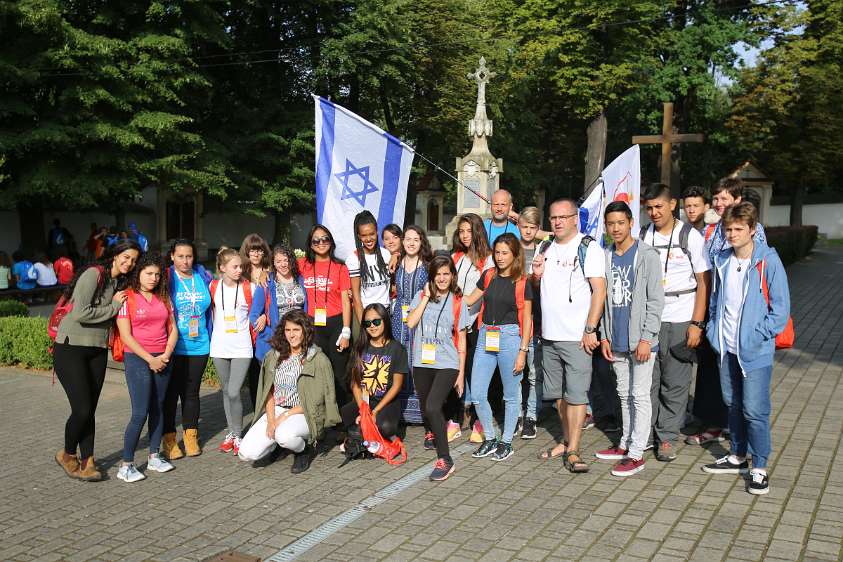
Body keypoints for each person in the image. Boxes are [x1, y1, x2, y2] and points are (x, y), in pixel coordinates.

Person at [702, 202, 790, 495]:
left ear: (753, 230)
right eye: (728, 229)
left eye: (739, 229)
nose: (732, 234)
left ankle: (760, 466)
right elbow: (715, 303)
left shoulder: (768, 261)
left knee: (755, 410)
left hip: (754, 352)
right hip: (726, 349)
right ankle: (738, 455)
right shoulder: (723, 260)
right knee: (733, 403)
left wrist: (757, 336)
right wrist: (714, 334)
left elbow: (780, 310)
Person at [53, 239, 141, 481]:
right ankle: (67, 453)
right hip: (71, 347)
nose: (129, 263)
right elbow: (81, 312)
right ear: (115, 255)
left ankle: (88, 460)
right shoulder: (94, 274)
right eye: (126, 257)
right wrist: (113, 307)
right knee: (81, 409)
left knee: (90, 409)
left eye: (133, 260)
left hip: (97, 349)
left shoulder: (118, 282)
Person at [531, 198, 606, 473]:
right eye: (553, 218)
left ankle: (574, 450)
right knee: (558, 396)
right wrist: (536, 276)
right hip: (549, 335)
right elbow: (538, 286)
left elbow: (599, 290)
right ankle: (566, 440)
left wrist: (590, 328)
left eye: (564, 217)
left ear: (576, 218)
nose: (558, 221)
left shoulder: (589, 247)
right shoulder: (545, 246)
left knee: (576, 396)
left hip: (577, 336)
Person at [641, 183, 711, 462]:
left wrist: (697, 322)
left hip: (682, 316)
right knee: (649, 380)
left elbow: (704, 282)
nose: (654, 212)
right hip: (651, 317)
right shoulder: (644, 234)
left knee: (676, 380)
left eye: (659, 206)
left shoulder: (690, 236)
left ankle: (667, 437)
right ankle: (647, 433)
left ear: (672, 205)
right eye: (649, 208)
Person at [594, 202, 664, 477]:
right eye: (610, 224)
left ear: (631, 222)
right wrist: (604, 336)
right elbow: (602, 300)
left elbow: (656, 301)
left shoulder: (647, 255)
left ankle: (637, 453)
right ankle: (625, 442)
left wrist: (648, 337)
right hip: (616, 337)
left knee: (639, 395)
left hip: (641, 340)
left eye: (620, 223)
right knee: (623, 393)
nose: (615, 228)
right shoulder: (606, 255)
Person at [239, 310, 341, 473]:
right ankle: (279, 445)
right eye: (288, 330)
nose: (291, 335)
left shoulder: (318, 360)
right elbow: (269, 392)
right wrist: (272, 419)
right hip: (278, 408)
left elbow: (317, 401)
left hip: (304, 412)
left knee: (284, 436)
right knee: (246, 453)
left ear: (305, 331)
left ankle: (303, 450)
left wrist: (283, 417)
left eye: (296, 330)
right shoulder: (274, 356)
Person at [464, 233, 533, 462]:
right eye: (498, 252)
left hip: (510, 337)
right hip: (486, 335)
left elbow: (527, 318)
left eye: (505, 253)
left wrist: (523, 351)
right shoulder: (489, 275)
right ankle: (491, 438)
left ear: (515, 255)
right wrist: (439, 292)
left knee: (511, 396)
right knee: (477, 393)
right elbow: (468, 300)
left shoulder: (522, 281)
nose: (500, 257)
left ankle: (506, 442)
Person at [115, 253, 180, 482]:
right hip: (138, 359)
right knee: (140, 412)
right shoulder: (127, 298)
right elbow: (125, 336)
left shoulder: (164, 298)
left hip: (163, 358)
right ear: (138, 273)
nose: (153, 278)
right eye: (148, 273)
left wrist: (166, 354)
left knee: (158, 408)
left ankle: (154, 456)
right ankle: (126, 464)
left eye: (157, 274)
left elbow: (173, 329)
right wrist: (150, 359)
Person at [406, 256, 470, 480]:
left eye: (446, 274)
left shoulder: (458, 301)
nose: (442, 278)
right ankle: (436, 433)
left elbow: (461, 340)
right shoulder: (421, 296)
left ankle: (446, 459)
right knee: (427, 407)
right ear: (432, 277)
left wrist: (461, 374)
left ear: (452, 275)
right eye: (438, 274)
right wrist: (424, 297)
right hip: (421, 361)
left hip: (447, 362)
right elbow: (411, 323)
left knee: (433, 406)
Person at [161, 239, 214, 460]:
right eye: (181, 256)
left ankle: (191, 435)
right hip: (173, 346)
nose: (185, 260)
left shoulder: (202, 277)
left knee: (191, 393)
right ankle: (170, 439)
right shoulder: (165, 277)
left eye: (189, 256)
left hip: (199, 344)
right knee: (171, 394)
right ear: (172, 256)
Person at [298, 225, 353, 406]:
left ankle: (342, 419)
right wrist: (263, 274)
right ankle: (322, 416)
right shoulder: (303, 265)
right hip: (313, 325)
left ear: (331, 242)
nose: (321, 243)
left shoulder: (340, 267)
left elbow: (346, 301)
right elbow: (279, 266)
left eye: (325, 239)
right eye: (316, 240)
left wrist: (346, 331)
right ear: (311, 245)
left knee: (339, 372)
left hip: (336, 323)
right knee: (318, 371)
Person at [450, 213, 493, 441]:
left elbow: (481, 291)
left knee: (476, 374)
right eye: (462, 231)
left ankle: (478, 420)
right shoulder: (456, 257)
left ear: (477, 232)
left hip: (476, 323)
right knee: (457, 370)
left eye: (469, 231)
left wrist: (456, 302)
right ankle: (455, 419)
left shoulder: (488, 259)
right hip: (456, 323)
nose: (465, 236)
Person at [209, 247, 255, 456]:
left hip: (242, 347)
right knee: (227, 391)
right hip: (219, 346)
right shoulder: (213, 286)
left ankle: (238, 434)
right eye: (234, 267)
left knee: (235, 391)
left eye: (240, 267)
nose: (239, 270)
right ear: (222, 268)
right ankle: (232, 433)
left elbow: (260, 311)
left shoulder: (250, 288)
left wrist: (262, 318)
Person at [340, 304, 407, 444]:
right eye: (367, 323)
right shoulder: (360, 348)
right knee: (342, 416)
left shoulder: (397, 349)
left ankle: (377, 435)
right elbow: (356, 384)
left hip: (386, 402)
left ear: (385, 321)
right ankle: (365, 435)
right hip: (365, 401)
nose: (372, 326)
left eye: (376, 321)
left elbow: (397, 386)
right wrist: (364, 411)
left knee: (386, 427)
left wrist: (375, 411)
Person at [390, 225, 432, 425]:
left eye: (416, 239)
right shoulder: (396, 262)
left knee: (417, 357)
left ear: (421, 241)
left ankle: (421, 412)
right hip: (399, 316)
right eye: (408, 239)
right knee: (400, 358)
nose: (412, 243)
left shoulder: (427, 265)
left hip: (419, 316)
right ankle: (401, 410)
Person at [251, 244, 307, 365]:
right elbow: (254, 316)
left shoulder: (301, 279)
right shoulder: (266, 283)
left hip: (299, 341)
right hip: (275, 343)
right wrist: (272, 334)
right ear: (273, 264)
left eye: (286, 260)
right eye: (278, 261)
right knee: (275, 382)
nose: (283, 264)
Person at [517, 206, 545, 439]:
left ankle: (532, 416)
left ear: (537, 229)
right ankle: (517, 413)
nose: (527, 231)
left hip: (537, 318)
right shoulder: (511, 250)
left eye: (532, 227)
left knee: (535, 371)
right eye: (524, 227)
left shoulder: (544, 250)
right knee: (516, 370)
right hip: (514, 319)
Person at [240, 233, 272, 410]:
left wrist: (265, 315)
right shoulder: (240, 272)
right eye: (252, 250)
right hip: (245, 327)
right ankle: (256, 410)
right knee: (253, 372)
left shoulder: (270, 272)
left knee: (266, 369)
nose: (256, 254)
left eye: (259, 250)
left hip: (264, 327)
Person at [347, 211, 392, 324]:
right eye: (363, 235)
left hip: (386, 314)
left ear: (377, 232)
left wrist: (397, 255)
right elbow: (356, 298)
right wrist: (364, 325)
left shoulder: (387, 255)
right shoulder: (353, 259)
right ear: (359, 236)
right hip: (365, 315)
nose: (368, 239)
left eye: (371, 234)